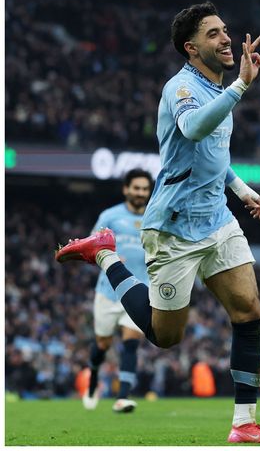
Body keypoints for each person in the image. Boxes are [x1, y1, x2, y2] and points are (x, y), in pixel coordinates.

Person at [56, 2, 260, 444]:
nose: (226, 39)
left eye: (225, 30)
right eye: (214, 34)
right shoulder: (180, 88)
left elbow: (214, 154)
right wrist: (240, 84)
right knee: (165, 337)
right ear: (191, 46)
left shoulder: (220, 89)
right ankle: (104, 254)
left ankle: (243, 424)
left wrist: (240, 189)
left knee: (249, 311)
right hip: (173, 226)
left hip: (217, 219)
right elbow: (197, 129)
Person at [82, 169, 152, 413]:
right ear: (126, 189)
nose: (140, 193)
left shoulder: (156, 217)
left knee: (131, 343)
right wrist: (107, 257)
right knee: (102, 343)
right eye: (136, 188)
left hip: (139, 291)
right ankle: (92, 376)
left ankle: (123, 397)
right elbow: (90, 247)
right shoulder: (110, 216)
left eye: (145, 189)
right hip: (108, 291)